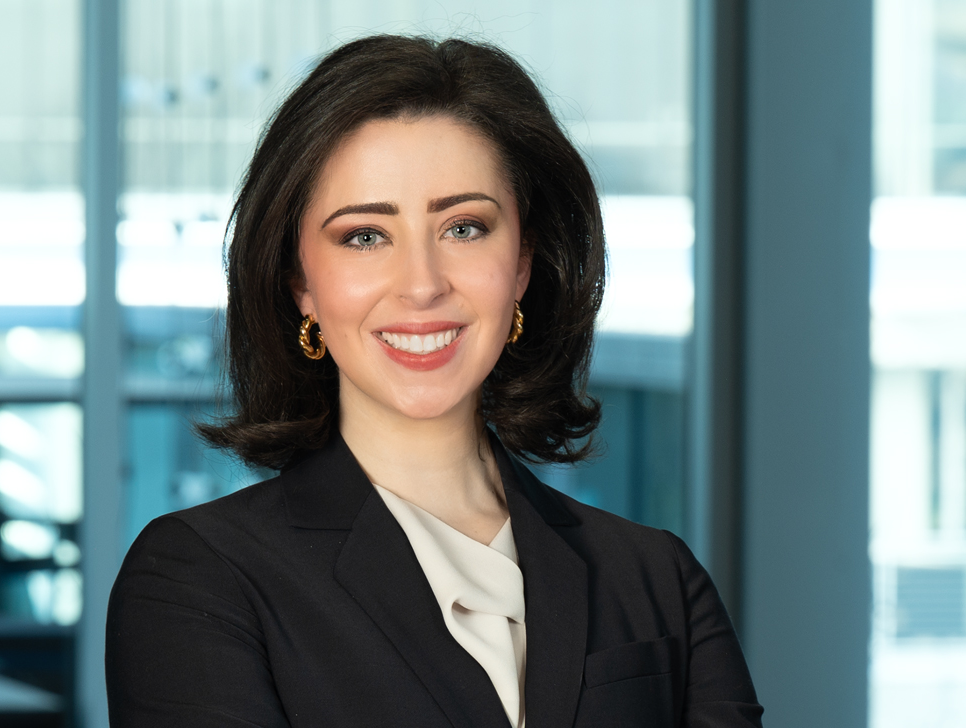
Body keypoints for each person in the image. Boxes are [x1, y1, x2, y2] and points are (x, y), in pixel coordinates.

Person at [105, 34, 763, 728]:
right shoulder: (198, 578)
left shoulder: (654, 577)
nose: (422, 285)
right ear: (300, 282)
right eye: (365, 236)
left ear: (523, 262)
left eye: (464, 228)